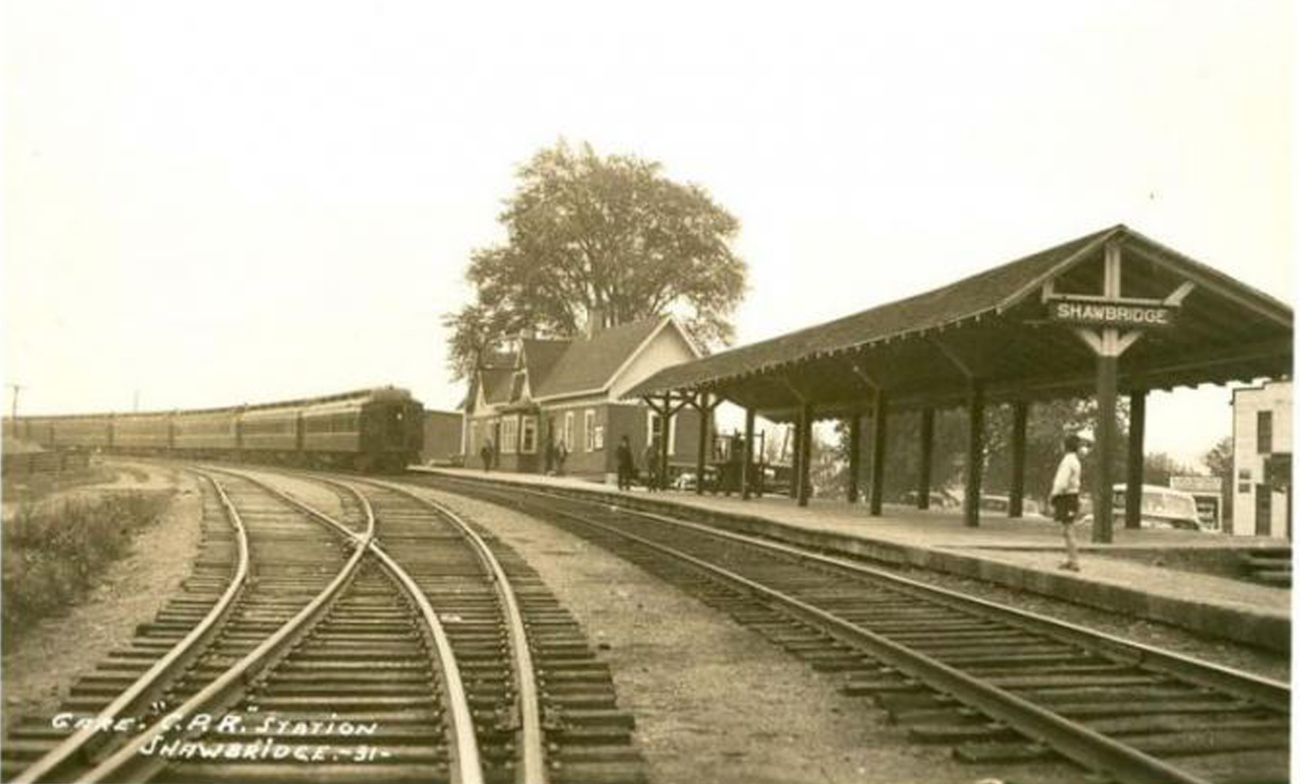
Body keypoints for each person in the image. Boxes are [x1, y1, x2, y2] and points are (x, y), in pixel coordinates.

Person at [1049, 433, 1087, 571]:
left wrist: (1053, 495)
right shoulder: (1076, 461)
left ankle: (1074, 561)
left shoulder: (1067, 461)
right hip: (1072, 496)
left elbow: (1062, 482)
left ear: (1065, 446)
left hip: (1066, 497)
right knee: (1066, 530)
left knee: (1069, 530)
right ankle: (1070, 558)